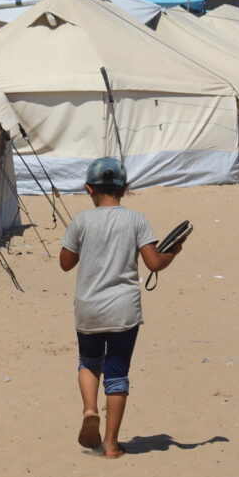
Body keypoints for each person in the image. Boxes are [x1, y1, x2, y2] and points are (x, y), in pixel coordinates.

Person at [59, 157, 183, 459]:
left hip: (89, 309)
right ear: (124, 189)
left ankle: (89, 409)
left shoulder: (81, 221)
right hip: (123, 311)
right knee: (117, 374)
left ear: (89, 189)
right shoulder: (137, 220)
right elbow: (153, 262)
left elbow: (65, 263)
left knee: (89, 362)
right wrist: (173, 253)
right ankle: (112, 445)